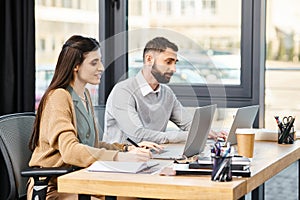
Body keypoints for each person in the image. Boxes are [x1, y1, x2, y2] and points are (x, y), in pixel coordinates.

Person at [27, 35, 161, 200]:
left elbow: (93, 145)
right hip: (55, 187)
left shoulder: (84, 95)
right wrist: (121, 157)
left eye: (100, 61)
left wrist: (126, 149)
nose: (101, 68)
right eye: (94, 63)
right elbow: (71, 151)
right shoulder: (59, 97)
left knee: (141, 195)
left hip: (83, 180)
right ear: (76, 66)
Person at [103, 37, 227, 144]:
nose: (174, 69)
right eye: (168, 62)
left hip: (153, 156)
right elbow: (138, 136)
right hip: (122, 163)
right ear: (149, 59)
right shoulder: (123, 91)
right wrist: (187, 135)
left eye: (175, 63)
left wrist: (208, 133)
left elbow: (188, 124)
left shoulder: (167, 93)